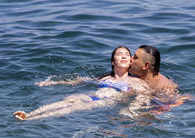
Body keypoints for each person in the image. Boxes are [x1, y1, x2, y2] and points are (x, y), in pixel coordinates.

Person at [14, 46, 150, 120]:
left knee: (72, 108)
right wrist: (53, 83)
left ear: (131, 61)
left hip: (103, 102)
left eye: (127, 54)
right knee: (69, 101)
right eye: (119, 54)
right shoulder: (104, 79)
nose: (124, 56)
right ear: (112, 62)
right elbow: (79, 80)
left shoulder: (135, 81)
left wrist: (131, 110)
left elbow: (143, 96)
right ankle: (30, 113)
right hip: (89, 96)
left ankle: (31, 119)